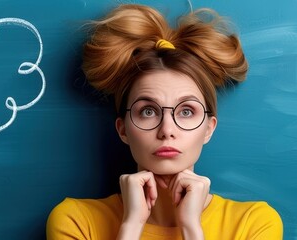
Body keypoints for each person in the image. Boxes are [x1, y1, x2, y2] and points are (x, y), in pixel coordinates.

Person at [47, 4, 283, 240]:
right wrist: (131, 225)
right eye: (148, 111)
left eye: (187, 112)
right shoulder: (76, 221)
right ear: (123, 129)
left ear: (209, 128)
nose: (167, 130)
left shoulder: (254, 223)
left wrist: (191, 227)